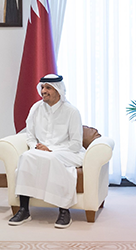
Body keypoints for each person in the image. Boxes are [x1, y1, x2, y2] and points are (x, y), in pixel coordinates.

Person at [8, 74, 84, 229]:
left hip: (68, 152)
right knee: (25, 157)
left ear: (58, 90)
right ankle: (24, 210)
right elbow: (30, 136)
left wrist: (51, 149)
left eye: (48, 88)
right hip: (40, 151)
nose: (43, 91)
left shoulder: (71, 111)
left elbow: (76, 144)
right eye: (42, 87)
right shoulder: (36, 108)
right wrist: (36, 147)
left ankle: (64, 210)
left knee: (53, 158)